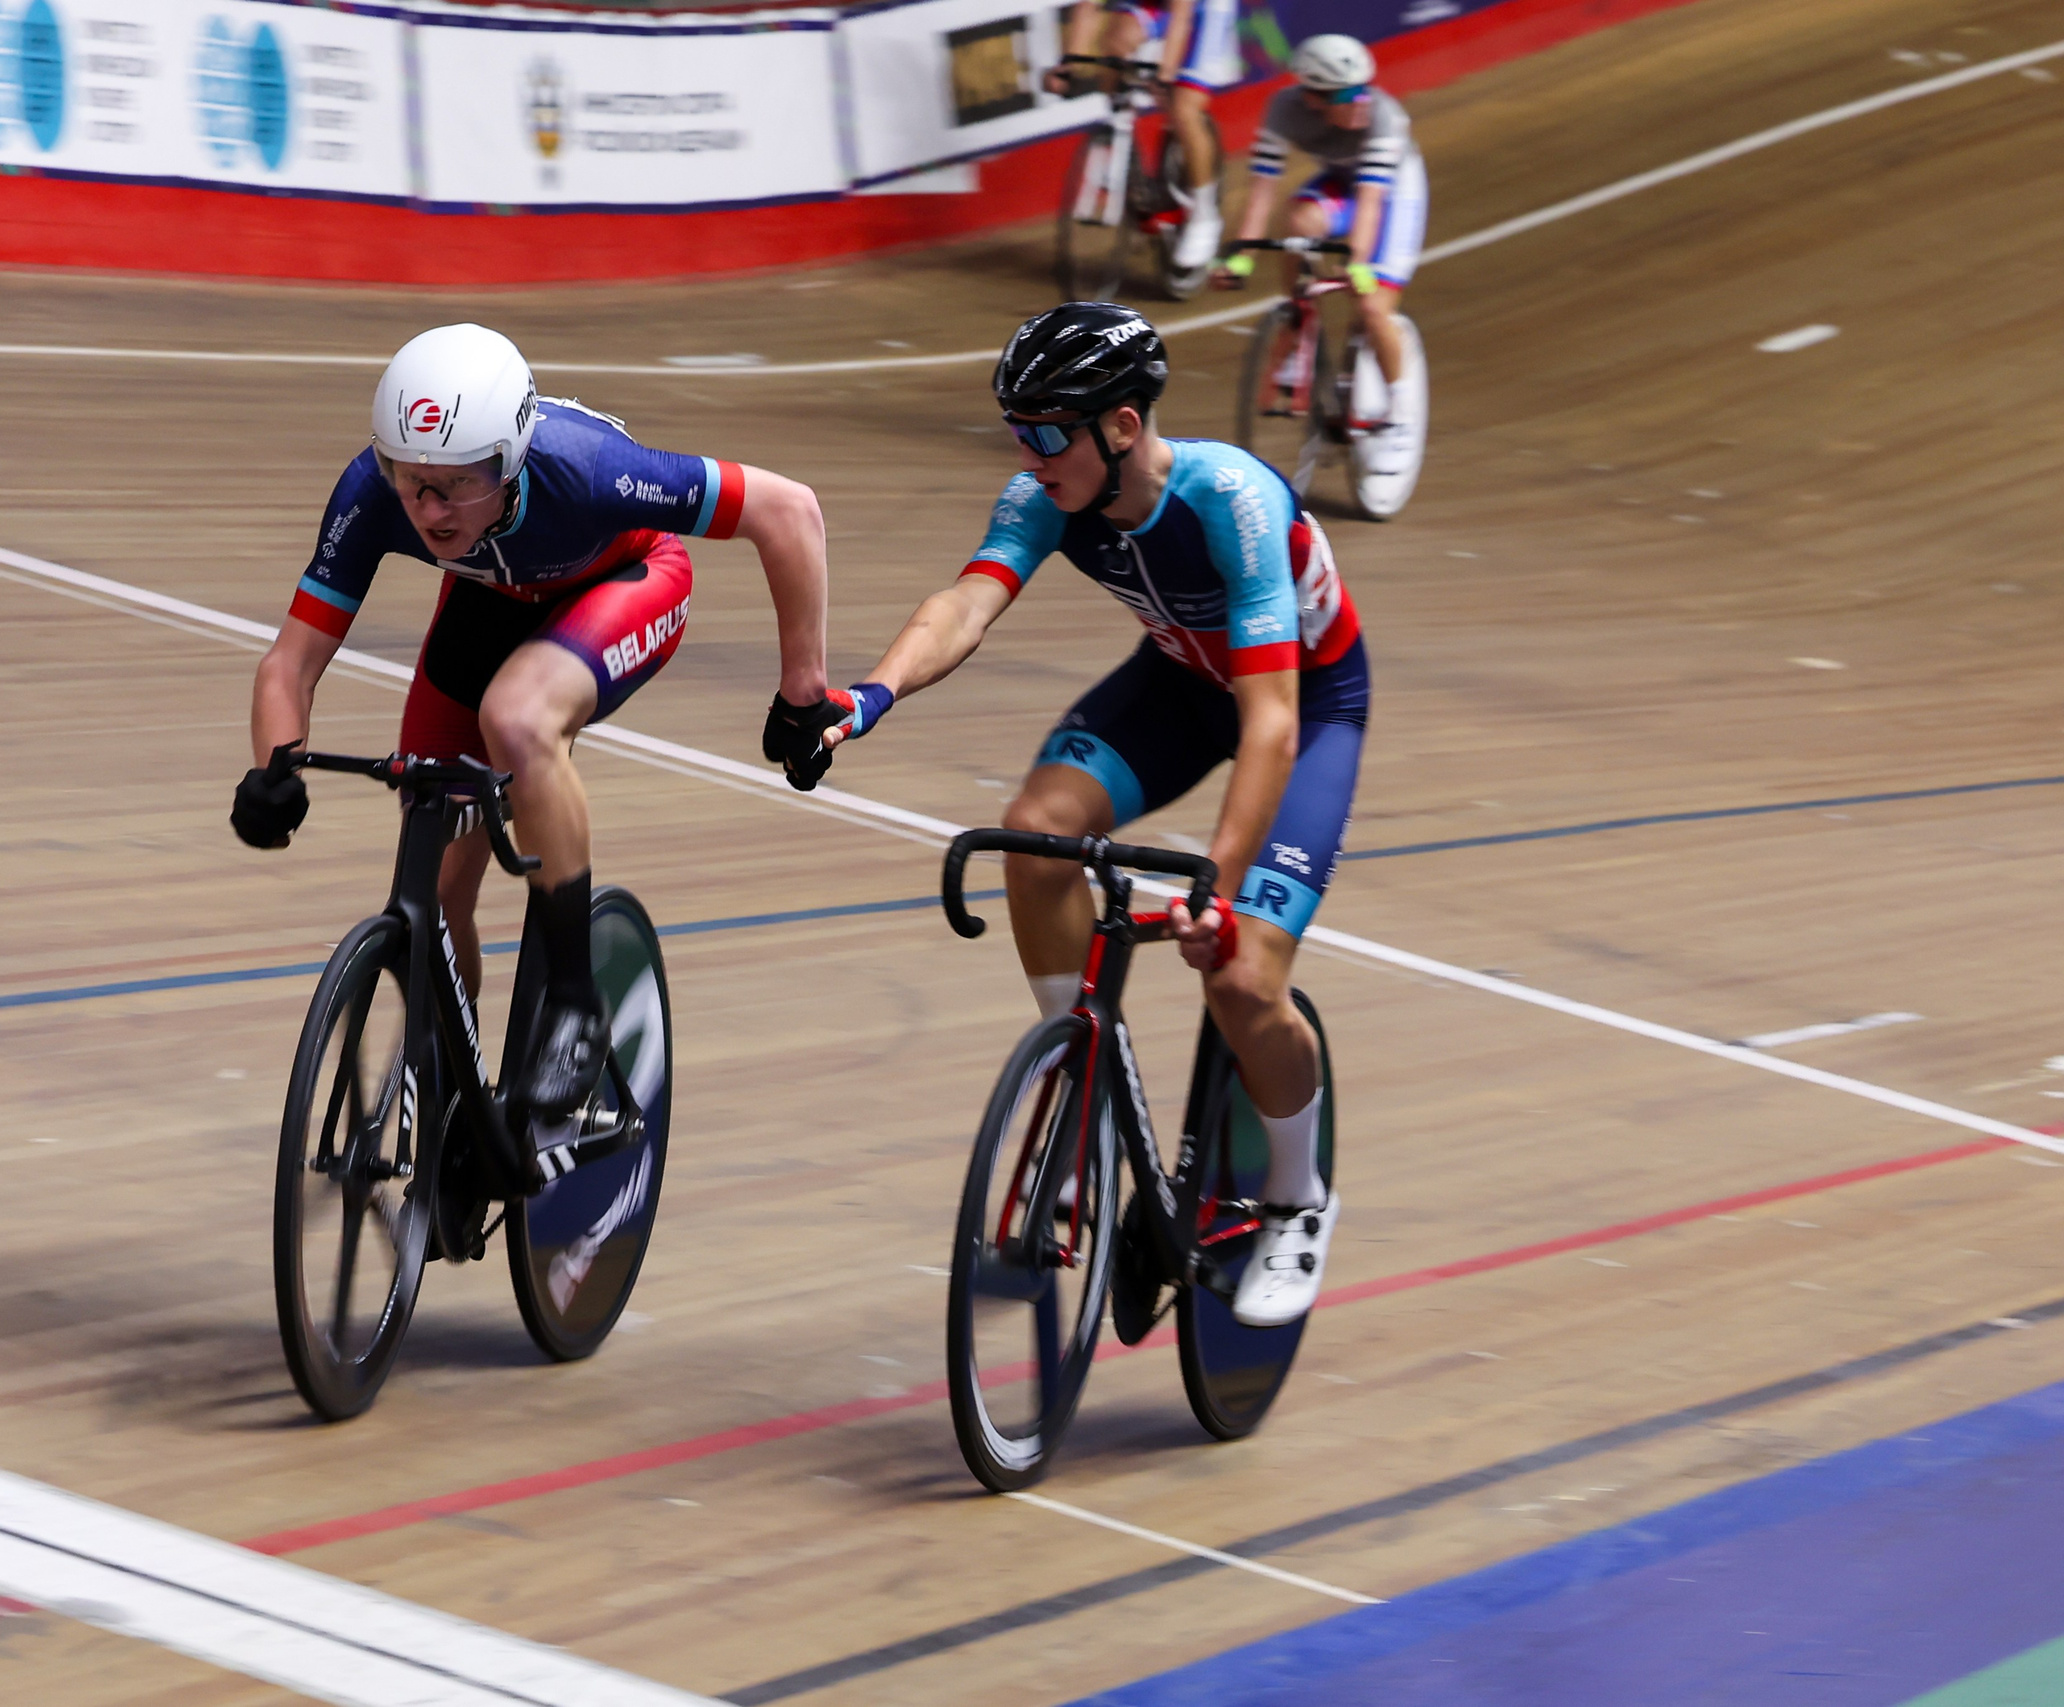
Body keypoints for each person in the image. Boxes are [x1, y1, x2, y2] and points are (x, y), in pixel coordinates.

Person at [792, 303, 1368, 1327]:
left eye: (1048, 430)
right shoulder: (1044, 496)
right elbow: (964, 604)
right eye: (1019, 429)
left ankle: (1297, 1198)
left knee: (1239, 976)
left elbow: (1271, 723)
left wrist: (1219, 895)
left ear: (1124, 427)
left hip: (1305, 702)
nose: (1029, 452)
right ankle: (1077, 1082)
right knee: (1036, 830)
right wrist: (865, 697)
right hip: (1183, 686)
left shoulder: (1230, 498)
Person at [234, 323, 836, 1132]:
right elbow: (290, 664)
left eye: (453, 485)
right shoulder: (373, 493)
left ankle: (576, 1006)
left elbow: (788, 511)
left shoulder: (591, 472)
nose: (427, 509)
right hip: (492, 602)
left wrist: (803, 692)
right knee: (436, 886)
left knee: (516, 717)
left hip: (628, 579)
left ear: (511, 461)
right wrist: (276, 768)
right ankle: (455, 1095)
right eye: (408, 481)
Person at [1215, 32, 1426, 463]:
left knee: (1371, 309)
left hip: (1392, 192)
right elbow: (1261, 193)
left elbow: (1370, 202)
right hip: (1342, 183)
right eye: (1347, 95)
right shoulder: (1284, 109)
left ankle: (1400, 412)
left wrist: (1360, 262)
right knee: (1298, 224)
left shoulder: (1384, 117)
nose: (1360, 102)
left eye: (1361, 90)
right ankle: (1298, 327)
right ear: (1313, 97)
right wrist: (1240, 255)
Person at [1047, 0, 1239, 271]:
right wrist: (1066, 66)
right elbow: (1087, 7)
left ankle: (1204, 215)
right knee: (1115, 42)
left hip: (1203, 8)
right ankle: (1119, 132)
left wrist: (1166, 74)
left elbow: (1180, 18)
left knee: (1183, 107)